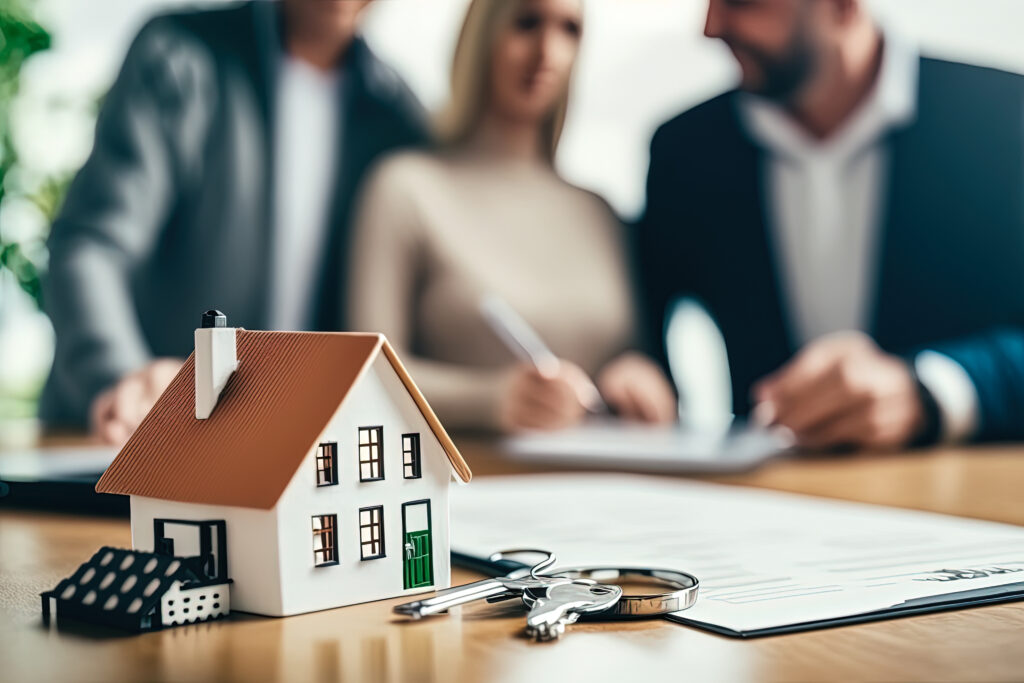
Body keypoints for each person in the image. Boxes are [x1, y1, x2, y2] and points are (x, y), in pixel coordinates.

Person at [639, 0, 1024, 449]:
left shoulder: (1006, 121)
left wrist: (929, 390)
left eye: (741, 2)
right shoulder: (683, 152)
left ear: (842, 6)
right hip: (765, 500)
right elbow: (643, 336)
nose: (709, 27)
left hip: (968, 496)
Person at [42, 0, 427, 443]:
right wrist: (120, 373)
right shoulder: (177, 53)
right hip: (116, 439)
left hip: (284, 454)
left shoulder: (398, 117)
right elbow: (92, 244)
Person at [347, 0, 676, 433]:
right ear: (483, 34)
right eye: (526, 23)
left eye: (569, 30)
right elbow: (369, 372)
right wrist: (489, 401)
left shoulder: (600, 213)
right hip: (474, 484)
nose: (547, 51)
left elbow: (634, 353)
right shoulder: (404, 188)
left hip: (606, 484)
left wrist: (640, 378)